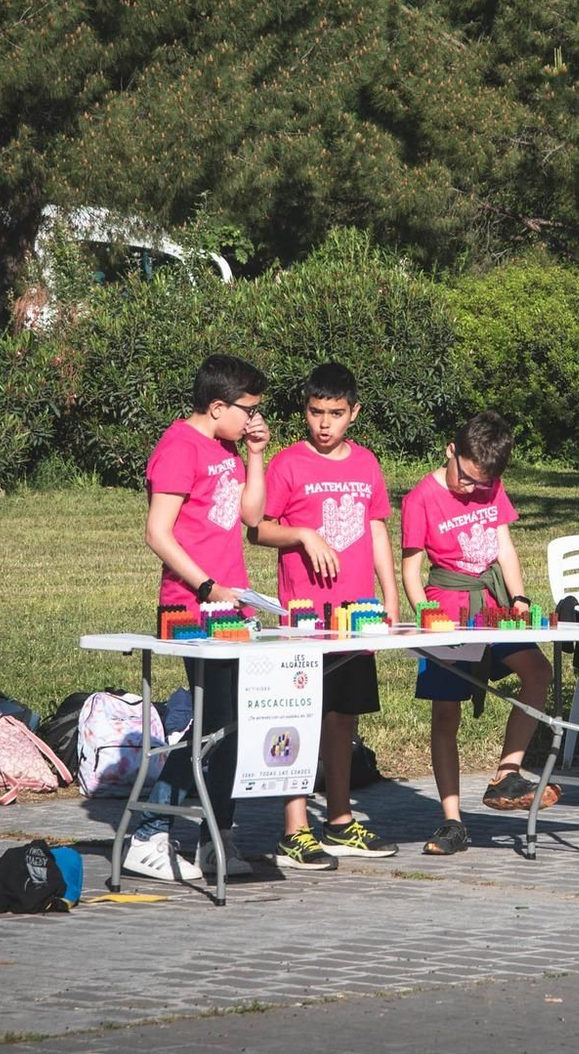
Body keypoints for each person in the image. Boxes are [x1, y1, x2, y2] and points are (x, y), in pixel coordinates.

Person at [128, 354, 270, 882]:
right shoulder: (177, 449)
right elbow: (156, 532)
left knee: (233, 726)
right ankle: (146, 831)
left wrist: (256, 454)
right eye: (248, 410)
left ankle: (218, 838)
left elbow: (251, 516)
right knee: (212, 726)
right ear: (218, 406)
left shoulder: (229, 448)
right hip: (191, 607)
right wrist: (207, 585)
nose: (255, 418)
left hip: (232, 607)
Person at [255, 362, 398, 867]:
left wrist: (390, 597)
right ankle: (294, 829)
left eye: (335, 414)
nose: (324, 424)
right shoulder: (287, 464)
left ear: (353, 413)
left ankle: (339, 820)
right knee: (301, 719)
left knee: (343, 719)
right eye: (316, 413)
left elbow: (377, 530)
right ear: (305, 412)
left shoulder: (367, 465)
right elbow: (259, 528)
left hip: (355, 615)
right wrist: (303, 534)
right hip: (305, 619)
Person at [400, 412, 554, 856]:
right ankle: (452, 822)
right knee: (446, 715)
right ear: (451, 450)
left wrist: (520, 597)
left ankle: (507, 774)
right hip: (449, 607)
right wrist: (425, 612)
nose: (470, 488)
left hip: (494, 607)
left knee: (538, 671)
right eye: (465, 478)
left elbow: (503, 544)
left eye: (480, 482)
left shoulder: (490, 483)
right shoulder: (420, 499)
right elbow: (411, 569)